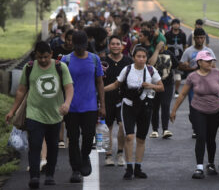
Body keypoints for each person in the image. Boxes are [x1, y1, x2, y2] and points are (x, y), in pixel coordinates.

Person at [5, 41, 74, 188]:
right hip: (34, 114)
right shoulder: (29, 67)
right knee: (35, 145)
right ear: (35, 55)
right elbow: (21, 90)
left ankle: (50, 175)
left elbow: (69, 88)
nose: (42, 60)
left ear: (51, 54)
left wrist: (67, 103)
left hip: (55, 115)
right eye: (39, 57)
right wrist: (12, 110)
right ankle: (34, 176)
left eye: (45, 57)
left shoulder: (60, 67)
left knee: (53, 147)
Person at [170, 50, 219, 179]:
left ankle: (210, 164)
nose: (210, 63)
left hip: (215, 111)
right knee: (201, 137)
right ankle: (199, 167)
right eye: (207, 61)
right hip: (197, 110)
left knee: (211, 139)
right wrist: (174, 110)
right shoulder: (192, 77)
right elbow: (182, 94)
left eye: (211, 60)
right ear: (199, 62)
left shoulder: (218, 74)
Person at [104, 47, 164, 180]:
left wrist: (151, 86)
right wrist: (100, 90)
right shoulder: (127, 69)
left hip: (145, 107)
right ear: (133, 57)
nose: (141, 59)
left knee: (141, 139)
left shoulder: (151, 70)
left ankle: (138, 167)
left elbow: (161, 87)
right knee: (129, 136)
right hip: (128, 106)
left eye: (144, 56)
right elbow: (115, 84)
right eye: (139, 56)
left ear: (147, 58)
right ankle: (129, 167)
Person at [61, 30, 106, 183]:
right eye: (76, 45)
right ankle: (75, 169)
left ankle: (85, 155)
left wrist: (102, 105)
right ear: (72, 44)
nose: (79, 49)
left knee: (88, 136)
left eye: (82, 45)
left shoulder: (94, 59)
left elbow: (99, 82)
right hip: (71, 107)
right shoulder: (66, 60)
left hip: (90, 106)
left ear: (87, 44)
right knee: (72, 138)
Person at [179, 28, 216, 138]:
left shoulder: (209, 51)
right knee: (193, 107)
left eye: (202, 38)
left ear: (204, 38)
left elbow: (213, 66)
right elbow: (181, 65)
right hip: (193, 84)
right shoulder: (188, 51)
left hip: (206, 84)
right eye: (198, 38)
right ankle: (196, 127)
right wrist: (187, 67)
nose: (200, 40)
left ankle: (201, 128)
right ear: (194, 38)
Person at [102, 36, 133, 166]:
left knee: (122, 126)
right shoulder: (102, 61)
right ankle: (108, 155)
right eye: (113, 44)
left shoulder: (128, 61)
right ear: (109, 46)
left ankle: (120, 154)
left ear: (122, 46)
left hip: (123, 99)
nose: (115, 46)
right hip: (106, 98)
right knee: (107, 126)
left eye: (118, 44)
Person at [149, 45, 179, 139]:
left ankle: (165, 129)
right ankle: (155, 129)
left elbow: (176, 64)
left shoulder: (169, 53)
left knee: (165, 105)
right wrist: (157, 50)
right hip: (154, 84)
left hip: (168, 84)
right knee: (155, 107)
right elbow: (149, 64)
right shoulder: (151, 52)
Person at [165, 18, 187, 98]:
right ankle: (168, 90)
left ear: (179, 25)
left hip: (179, 58)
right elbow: (164, 45)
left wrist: (185, 57)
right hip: (169, 57)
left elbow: (185, 46)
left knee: (178, 77)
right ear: (172, 25)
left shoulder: (182, 34)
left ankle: (176, 90)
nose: (176, 25)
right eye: (174, 23)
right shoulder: (167, 34)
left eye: (177, 24)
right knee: (168, 75)